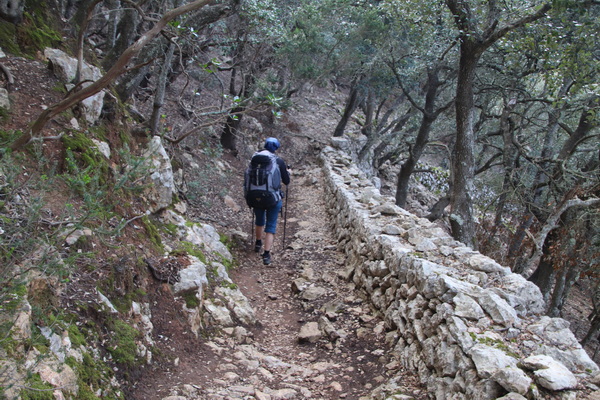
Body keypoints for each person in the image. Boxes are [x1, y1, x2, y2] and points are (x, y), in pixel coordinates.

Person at [253, 137, 290, 265]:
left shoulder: (255, 159)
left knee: (259, 220)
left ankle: (258, 242)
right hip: (272, 198)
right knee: (271, 225)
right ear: (276, 148)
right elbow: (286, 181)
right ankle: (266, 254)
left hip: (255, 196)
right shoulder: (278, 161)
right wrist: (288, 172)